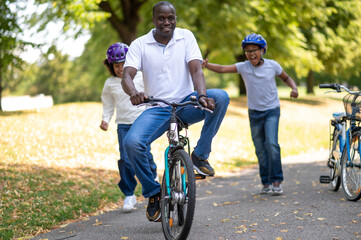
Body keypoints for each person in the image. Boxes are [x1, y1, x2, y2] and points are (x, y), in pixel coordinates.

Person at [122, 1, 230, 222]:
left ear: (175, 18)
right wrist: (134, 92)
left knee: (220, 97)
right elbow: (127, 75)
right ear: (154, 20)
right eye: (161, 18)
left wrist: (201, 95)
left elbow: (196, 68)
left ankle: (200, 156)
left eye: (170, 17)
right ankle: (153, 193)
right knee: (132, 142)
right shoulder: (140, 44)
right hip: (157, 107)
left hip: (186, 102)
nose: (166, 22)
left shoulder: (186, 36)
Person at [202, 33, 299, 195]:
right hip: (254, 113)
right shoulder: (243, 67)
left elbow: (287, 78)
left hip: (271, 111)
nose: (251, 54)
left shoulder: (272, 65)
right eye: (247, 51)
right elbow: (222, 69)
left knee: (272, 144)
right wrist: (206, 65)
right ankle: (266, 183)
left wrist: (294, 88)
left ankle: (276, 180)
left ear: (263, 51)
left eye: (255, 50)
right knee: (260, 149)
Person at [100, 42, 158, 212]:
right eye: (116, 66)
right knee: (125, 159)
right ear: (111, 66)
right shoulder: (110, 83)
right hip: (123, 125)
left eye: (123, 64)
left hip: (142, 122)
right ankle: (129, 194)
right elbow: (108, 103)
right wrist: (105, 119)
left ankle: (153, 178)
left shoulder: (141, 76)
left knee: (145, 153)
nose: (120, 68)